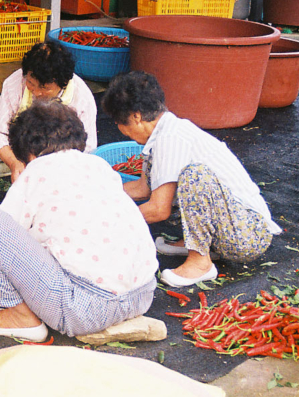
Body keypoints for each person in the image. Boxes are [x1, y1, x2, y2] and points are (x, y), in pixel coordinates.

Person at [0, 100, 158, 342]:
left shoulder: (35, 171)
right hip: (143, 295)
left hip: (84, 310)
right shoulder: (99, 166)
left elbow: (7, 232)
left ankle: (21, 317)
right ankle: (120, 319)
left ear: (29, 153)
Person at [100, 71, 282, 288]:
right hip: (230, 225)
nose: (120, 131)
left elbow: (159, 209)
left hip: (248, 234)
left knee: (193, 175)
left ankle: (200, 262)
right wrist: (100, 194)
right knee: (175, 182)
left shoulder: (171, 137)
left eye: (118, 122)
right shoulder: (160, 136)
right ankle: (196, 243)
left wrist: (109, 224)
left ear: (136, 117)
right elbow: (143, 189)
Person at [0, 39, 98, 182]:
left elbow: (87, 148)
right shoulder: (16, 80)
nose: (36, 92)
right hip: (17, 145)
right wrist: (13, 162)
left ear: (63, 83)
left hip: (54, 157)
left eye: (45, 88)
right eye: (30, 83)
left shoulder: (82, 97)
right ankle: (11, 164)